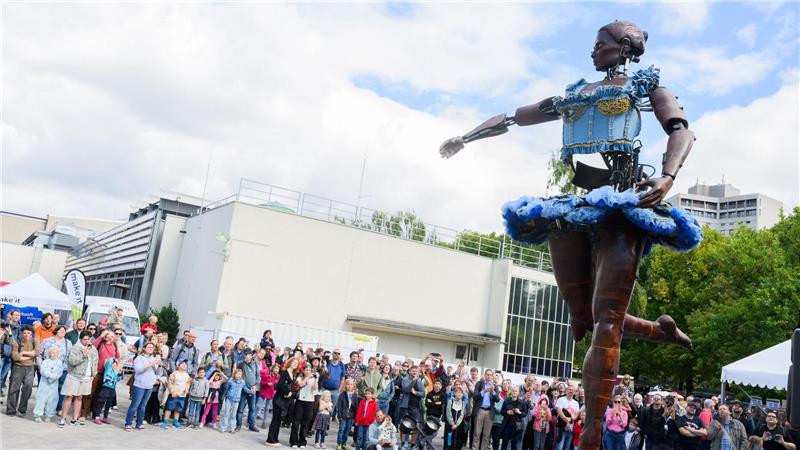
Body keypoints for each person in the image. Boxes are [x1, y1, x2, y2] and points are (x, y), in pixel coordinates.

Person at [441, 19, 701, 450]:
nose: (594, 51)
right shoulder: (574, 93)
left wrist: (668, 177)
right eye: (594, 44)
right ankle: (660, 331)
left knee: (605, 323)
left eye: (602, 44)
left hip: (622, 205)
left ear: (626, 47)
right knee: (583, 321)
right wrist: (466, 137)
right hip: (574, 208)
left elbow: (681, 130)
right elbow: (514, 116)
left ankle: (592, 433)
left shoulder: (647, 86)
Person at [58, 330, 97, 426]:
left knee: (79, 397)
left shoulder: (93, 348)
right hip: (74, 376)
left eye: (88, 339)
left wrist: (93, 374)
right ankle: (63, 418)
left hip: (86, 377)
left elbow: (95, 361)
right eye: (85, 339)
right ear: (80, 339)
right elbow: (72, 361)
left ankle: (74, 419)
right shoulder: (75, 348)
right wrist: (84, 354)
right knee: (69, 396)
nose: (87, 341)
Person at [83, 329, 119, 419]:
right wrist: (101, 336)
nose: (109, 337)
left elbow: (117, 357)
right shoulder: (100, 343)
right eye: (107, 335)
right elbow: (93, 346)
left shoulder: (114, 345)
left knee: (100, 394)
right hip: (97, 371)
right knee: (90, 392)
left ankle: (95, 413)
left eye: (111, 336)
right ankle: (84, 412)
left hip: (108, 374)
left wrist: (116, 363)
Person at [124, 342, 161, 431]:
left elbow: (157, 373)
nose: (151, 348)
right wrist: (151, 364)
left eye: (152, 347)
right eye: (149, 347)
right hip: (139, 385)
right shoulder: (139, 358)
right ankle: (128, 423)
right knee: (135, 405)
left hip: (149, 386)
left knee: (143, 406)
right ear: (144, 348)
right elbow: (139, 370)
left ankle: (139, 423)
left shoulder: (153, 358)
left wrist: (159, 365)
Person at [266, 356, 302, 447]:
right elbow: (280, 385)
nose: (295, 364)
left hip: (285, 401)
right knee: (275, 420)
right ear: (290, 362)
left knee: (279, 420)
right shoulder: (284, 372)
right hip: (279, 399)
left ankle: (274, 438)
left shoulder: (293, 375)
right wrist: (287, 392)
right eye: (294, 362)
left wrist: (291, 393)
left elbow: (292, 387)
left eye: (296, 363)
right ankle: (270, 440)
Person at [39, 325, 72, 412]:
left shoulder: (68, 343)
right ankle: (44, 407)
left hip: (62, 370)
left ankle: (58, 408)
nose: (62, 332)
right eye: (60, 330)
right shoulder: (46, 341)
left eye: (64, 331)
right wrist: (41, 366)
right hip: (48, 370)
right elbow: (39, 355)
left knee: (61, 389)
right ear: (56, 331)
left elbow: (69, 357)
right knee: (47, 389)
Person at [397, 366, 427, 449]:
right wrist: (413, 381)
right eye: (413, 371)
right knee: (404, 425)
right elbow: (406, 389)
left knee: (415, 426)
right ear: (410, 371)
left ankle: (413, 444)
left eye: (416, 371)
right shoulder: (405, 380)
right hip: (406, 406)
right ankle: (403, 443)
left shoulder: (420, 382)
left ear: (418, 373)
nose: (414, 373)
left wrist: (415, 393)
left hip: (416, 407)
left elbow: (423, 394)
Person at [292, 365, 321, 447]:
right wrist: (307, 377)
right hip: (300, 401)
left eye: (309, 370)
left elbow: (315, 388)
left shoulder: (313, 378)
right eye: (306, 370)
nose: (308, 371)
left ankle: (302, 442)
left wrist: (315, 379)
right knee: (296, 422)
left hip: (310, 402)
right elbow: (301, 385)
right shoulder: (300, 377)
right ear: (303, 371)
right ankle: (294, 441)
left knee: (306, 422)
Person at [472, 369, 501, 450]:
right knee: (477, 433)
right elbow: (475, 396)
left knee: (486, 434)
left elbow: (497, 399)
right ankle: (475, 448)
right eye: (487, 374)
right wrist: (484, 391)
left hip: (489, 412)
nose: (488, 376)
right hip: (480, 410)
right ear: (484, 375)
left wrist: (493, 392)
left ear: (492, 377)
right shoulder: (479, 384)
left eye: (490, 375)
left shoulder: (495, 386)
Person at [33, 346, 63, 422]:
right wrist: (51, 376)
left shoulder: (59, 362)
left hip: (54, 384)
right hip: (44, 383)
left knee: (52, 400)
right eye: (53, 352)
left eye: (56, 352)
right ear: (49, 353)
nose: (54, 354)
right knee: (41, 399)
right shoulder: (46, 361)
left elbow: (60, 371)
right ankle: (38, 415)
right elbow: (43, 371)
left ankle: (49, 415)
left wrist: (56, 377)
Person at [237, 348, 262, 432]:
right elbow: (238, 375)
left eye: (248, 355)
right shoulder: (241, 364)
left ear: (251, 355)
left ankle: (251, 425)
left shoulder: (255, 364)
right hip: (243, 389)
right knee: (240, 409)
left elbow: (258, 376)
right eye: (245, 355)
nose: (246, 357)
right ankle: (238, 425)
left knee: (252, 408)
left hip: (253, 389)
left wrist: (255, 386)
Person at [93, 357, 122, 424]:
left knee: (108, 404)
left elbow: (118, 379)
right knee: (101, 402)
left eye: (116, 364)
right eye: (113, 364)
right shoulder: (108, 369)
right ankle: (97, 417)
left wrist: (119, 372)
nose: (114, 365)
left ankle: (105, 417)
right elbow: (109, 362)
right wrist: (115, 360)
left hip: (112, 389)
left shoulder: (116, 371)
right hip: (106, 388)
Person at [500, 386, 530, 450]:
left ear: (518, 393)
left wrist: (519, 412)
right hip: (507, 425)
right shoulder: (506, 401)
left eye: (516, 391)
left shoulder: (522, 402)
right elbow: (502, 412)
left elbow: (525, 413)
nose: (514, 392)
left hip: (517, 426)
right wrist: (507, 412)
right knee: (504, 442)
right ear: (511, 392)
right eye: (513, 391)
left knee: (514, 443)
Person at [334, 379, 359, 450]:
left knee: (347, 430)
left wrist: (355, 417)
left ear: (353, 386)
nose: (349, 386)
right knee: (341, 429)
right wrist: (339, 415)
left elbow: (356, 407)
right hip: (343, 415)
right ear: (345, 385)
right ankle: (339, 444)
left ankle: (343, 444)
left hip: (350, 416)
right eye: (348, 384)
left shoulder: (354, 395)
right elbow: (339, 406)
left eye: (351, 384)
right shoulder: (342, 394)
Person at [556, 384, 580, 450]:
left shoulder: (576, 403)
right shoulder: (561, 399)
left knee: (567, 447)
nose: (571, 391)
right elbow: (559, 411)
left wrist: (570, 421)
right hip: (562, 426)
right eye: (569, 389)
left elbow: (576, 415)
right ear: (566, 391)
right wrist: (566, 421)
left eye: (573, 390)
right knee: (559, 447)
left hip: (571, 429)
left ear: (574, 392)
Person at [323, 348, 346, 418]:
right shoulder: (327, 362)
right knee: (321, 407)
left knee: (330, 409)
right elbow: (322, 373)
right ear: (332, 354)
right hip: (324, 389)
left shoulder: (342, 365)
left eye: (338, 353)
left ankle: (326, 424)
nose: (337, 354)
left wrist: (339, 390)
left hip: (335, 391)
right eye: (335, 353)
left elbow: (343, 378)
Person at [445, 385, 469, 450]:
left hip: (458, 425)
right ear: (454, 393)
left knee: (457, 440)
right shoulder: (450, 401)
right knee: (449, 440)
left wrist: (457, 424)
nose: (459, 394)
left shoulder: (462, 403)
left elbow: (461, 415)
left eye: (461, 393)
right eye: (457, 392)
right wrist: (452, 423)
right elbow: (448, 413)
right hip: (450, 425)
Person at [222, 368, 246, 433]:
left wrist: (251, 391)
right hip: (229, 399)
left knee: (233, 415)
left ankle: (232, 429)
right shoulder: (231, 381)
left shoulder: (242, 382)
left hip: (236, 400)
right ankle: (223, 428)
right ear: (234, 374)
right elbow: (227, 389)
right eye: (238, 374)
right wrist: (224, 396)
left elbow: (245, 388)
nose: (239, 375)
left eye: (240, 374)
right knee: (226, 413)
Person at [259, 363, 280, 429]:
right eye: (275, 368)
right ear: (272, 368)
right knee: (258, 406)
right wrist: (267, 383)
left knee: (267, 408)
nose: (276, 370)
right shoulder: (267, 374)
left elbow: (278, 385)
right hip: (264, 392)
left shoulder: (278, 376)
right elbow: (262, 382)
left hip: (271, 394)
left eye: (278, 369)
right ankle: (251, 420)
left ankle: (264, 422)